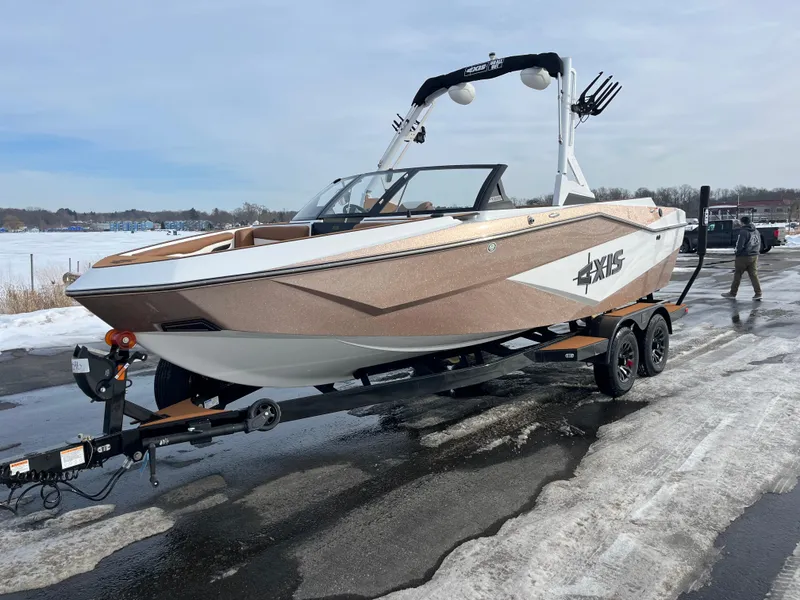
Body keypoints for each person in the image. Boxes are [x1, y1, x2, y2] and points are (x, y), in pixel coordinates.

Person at [721, 215, 762, 300]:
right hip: (754, 255)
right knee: (753, 275)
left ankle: (733, 293)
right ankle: (758, 293)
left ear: (743, 223)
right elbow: (758, 243)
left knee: (738, 275)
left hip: (744, 256)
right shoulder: (756, 231)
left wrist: (737, 253)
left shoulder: (743, 232)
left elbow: (740, 245)